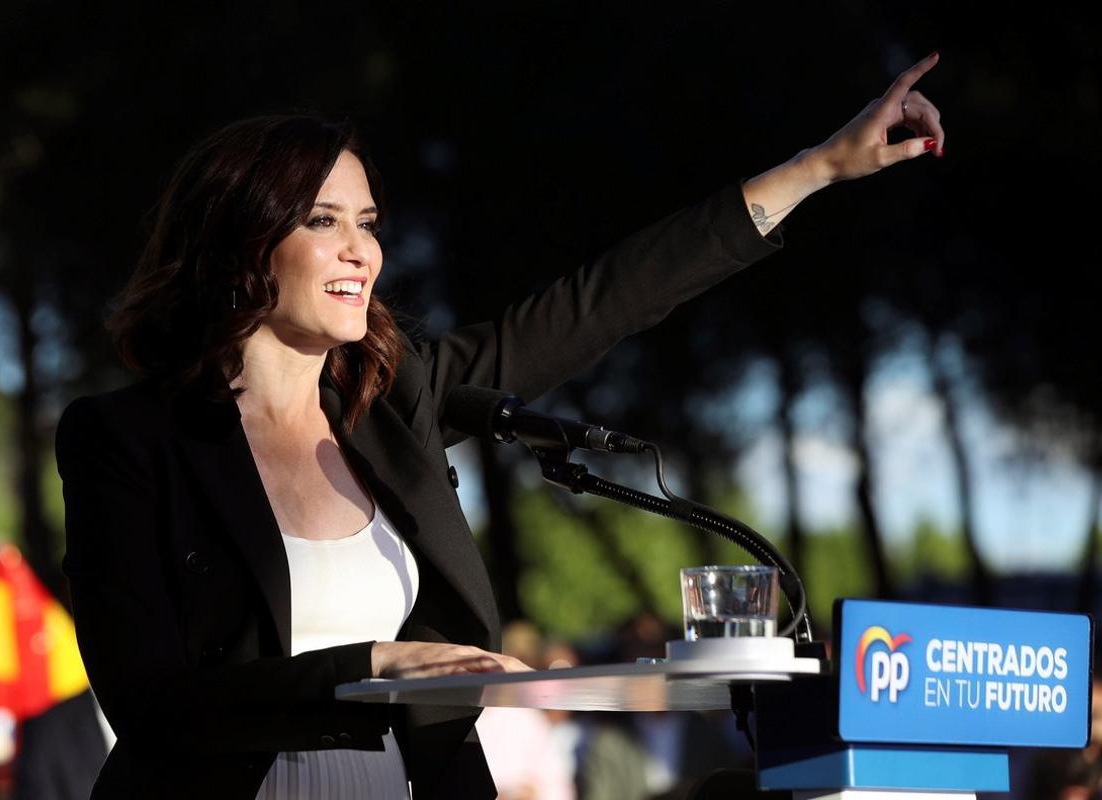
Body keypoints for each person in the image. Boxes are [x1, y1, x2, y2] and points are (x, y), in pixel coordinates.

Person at [55, 52, 946, 799]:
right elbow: (153, 703)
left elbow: (603, 302)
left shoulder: (396, 401)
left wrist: (818, 169)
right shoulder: (125, 439)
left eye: (367, 222)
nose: (361, 250)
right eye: (323, 221)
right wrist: (371, 663)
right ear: (243, 242)